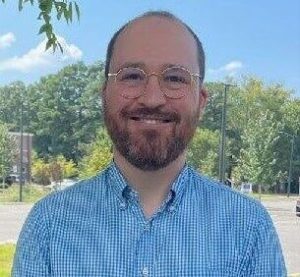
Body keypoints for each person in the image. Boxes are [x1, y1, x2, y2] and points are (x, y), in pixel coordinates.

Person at [12, 11, 287, 276]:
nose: (152, 98)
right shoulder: (49, 225)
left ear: (201, 101)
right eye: (132, 75)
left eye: (175, 78)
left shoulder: (248, 227)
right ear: (104, 95)